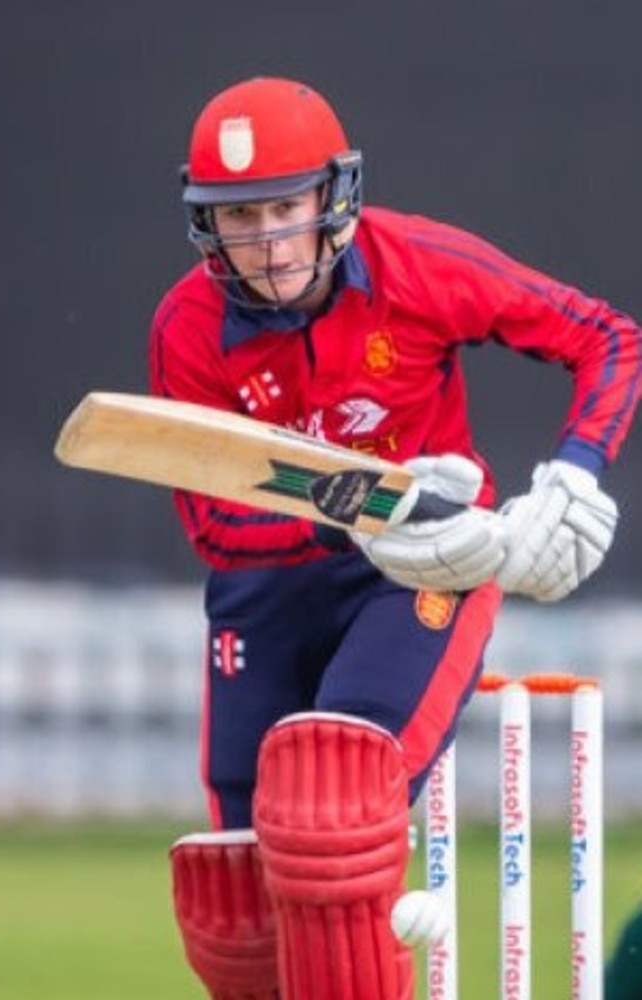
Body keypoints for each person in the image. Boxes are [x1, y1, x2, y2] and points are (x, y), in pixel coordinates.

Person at [151, 77, 640, 1000]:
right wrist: (368, 517)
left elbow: (608, 338)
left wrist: (574, 470)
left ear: (333, 197)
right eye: (238, 215)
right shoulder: (190, 326)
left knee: (328, 808)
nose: (265, 240)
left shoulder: (417, 265)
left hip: (424, 575)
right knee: (238, 902)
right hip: (271, 587)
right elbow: (213, 520)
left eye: (285, 207)